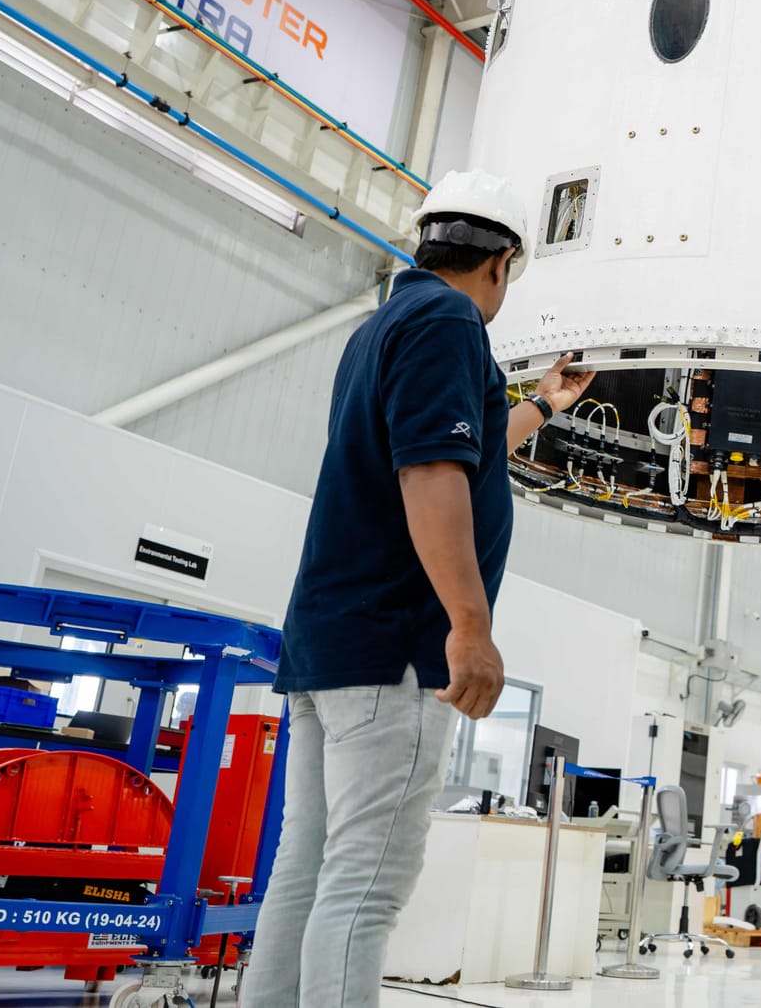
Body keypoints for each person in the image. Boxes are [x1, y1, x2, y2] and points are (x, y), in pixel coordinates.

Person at [244, 171, 596, 1008]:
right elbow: (433, 470)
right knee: (365, 887)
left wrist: (542, 405)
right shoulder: (450, 320)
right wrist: (469, 625)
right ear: (501, 264)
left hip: (329, 647)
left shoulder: (385, 325)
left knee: (308, 865)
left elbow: (459, 447)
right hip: (394, 651)